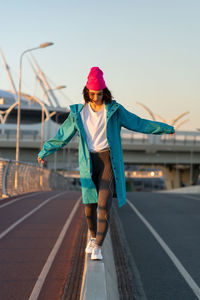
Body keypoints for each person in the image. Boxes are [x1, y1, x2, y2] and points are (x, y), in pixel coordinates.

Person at [37, 67, 175, 260]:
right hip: (88, 163)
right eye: (93, 94)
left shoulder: (115, 111)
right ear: (87, 92)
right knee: (89, 208)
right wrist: (45, 151)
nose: (96, 98)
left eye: (100, 94)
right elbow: (63, 136)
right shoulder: (78, 113)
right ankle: (93, 237)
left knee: (104, 204)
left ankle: (99, 247)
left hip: (108, 161)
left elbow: (139, 123)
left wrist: (166, 129)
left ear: (104, 92)